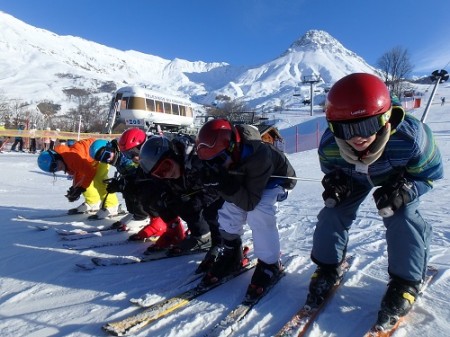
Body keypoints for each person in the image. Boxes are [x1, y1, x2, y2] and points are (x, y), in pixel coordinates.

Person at [306, 73, 443, 328]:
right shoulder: (330, 146)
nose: (358, 138)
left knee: (402, 217)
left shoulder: (411, 139)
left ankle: (406, 281)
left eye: (367, 126)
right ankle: (327, 266)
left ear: (385, 118)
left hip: (396, 178)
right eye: (347, 129)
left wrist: (406, 190)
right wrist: (336, 184)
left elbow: (429, 175)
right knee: (332, 214)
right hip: (355, 177)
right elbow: (331, 172)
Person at [195, 119, 297, 299]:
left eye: (219, 160)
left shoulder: (259, 156)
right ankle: (232, 252)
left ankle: (270, 263)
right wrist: (214, 179)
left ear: (232, 148)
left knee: (259, 212)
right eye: (211, 162)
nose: (215, 164)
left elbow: (250, 202)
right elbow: (232, 191)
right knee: (228, 211)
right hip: (245, 179)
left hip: (273, 182)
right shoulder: (225, 154)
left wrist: (224, 184)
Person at [139, 133, 224, 272]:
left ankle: (221, 243)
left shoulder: (198, 160)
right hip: (199, 195)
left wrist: (198, 200)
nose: (166, 173)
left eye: (166, 166)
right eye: (160, 173)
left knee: (211, 210)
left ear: (173, 155)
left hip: (226, 196)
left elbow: (218, 188)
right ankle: (200, 234)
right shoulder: (172, 172)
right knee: (173, 202)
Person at [88, 132, 170, 238]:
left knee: (135, 191)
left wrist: (122, 185)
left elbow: (138, 175)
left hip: (152, 180)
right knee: (128, 191)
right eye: (103, 160)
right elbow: (129, 176)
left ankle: (141, 216)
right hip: (142, 178)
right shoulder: (117, 158)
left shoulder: (125, 155)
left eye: (107, 155)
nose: (107, 160)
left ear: (111, 148)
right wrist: (119, 183)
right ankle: (133, 213)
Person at [37, 138, 120, 219]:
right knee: (85, 180)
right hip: (90, 158)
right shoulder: (65, 160)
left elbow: (90, 172)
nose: (57, 169)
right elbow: (79, 171)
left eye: (55, 165)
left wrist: (80, 188)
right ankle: (93, 202)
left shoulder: (70, 158)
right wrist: (75, 187)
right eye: (53, 169)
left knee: (99, 179)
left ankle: (112, 206)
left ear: (56, 157)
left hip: (102, 153)